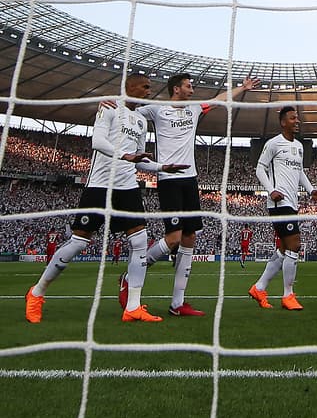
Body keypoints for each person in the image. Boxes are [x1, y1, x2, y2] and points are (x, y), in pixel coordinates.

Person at [25, 73, 189, 324]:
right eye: (145, 87)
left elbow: (139, 159)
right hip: (101, 185)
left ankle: (133, 307)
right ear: (130, 87)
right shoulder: (109, 108)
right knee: (78, 242)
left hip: (128, 187)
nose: (149, 91)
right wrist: (124, 155)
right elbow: (98, 141)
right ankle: (37, 293)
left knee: (139, 242)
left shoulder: (140, 121)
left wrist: (161, 167)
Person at [125, 73, 259, 317]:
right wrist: (110, 105)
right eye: (189, 86)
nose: (193, 90)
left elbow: (219, 99)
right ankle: (131, 275)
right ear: (176, 89)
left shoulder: (195, 109)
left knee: (189, 239)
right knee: (173, 239)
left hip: (190, 180)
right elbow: (129, 110)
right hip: (168, 179)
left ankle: (177, 304)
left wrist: (243, 88)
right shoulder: (156, 109)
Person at [248, 106, 317, 310]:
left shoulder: (299, 146)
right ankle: (288, 295)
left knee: (284, 249)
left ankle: (259, 288)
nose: (297, 121)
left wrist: (311, 190)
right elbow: (260, 168)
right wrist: (271, 190)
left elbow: (299, 172)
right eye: (292, 118)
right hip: (279, 202)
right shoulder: (274, 143)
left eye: (297, 118)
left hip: (292, 202)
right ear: (283, 122)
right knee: (295, 245)